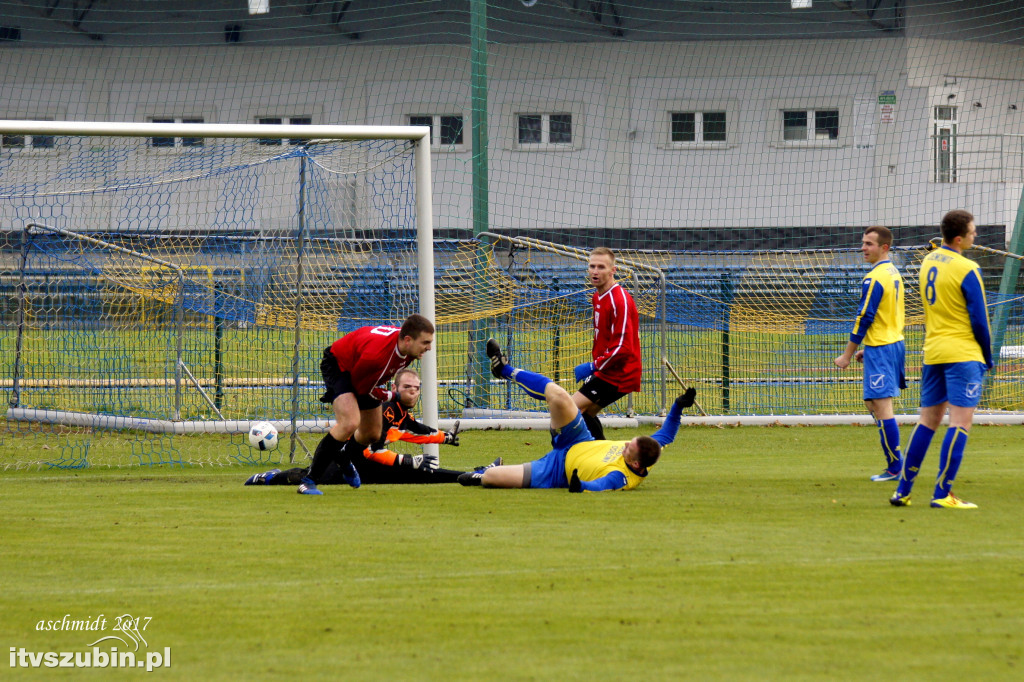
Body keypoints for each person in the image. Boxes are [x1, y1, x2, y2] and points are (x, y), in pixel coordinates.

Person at [459, 339, 694, 492]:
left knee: (491, 478)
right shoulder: (649, 449)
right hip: (577, 438)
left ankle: (482, 471)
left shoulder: (622, 477)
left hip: (556, 470)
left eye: (627, 450)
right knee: (559, 395)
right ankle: (503, 370)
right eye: (628, 443)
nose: (624, 446)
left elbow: (599, 485)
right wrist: (679, 406)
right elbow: (667, 434)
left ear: (634, 463)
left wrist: (579, 485)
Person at [890, 210, 993, 509]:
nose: (976, 236)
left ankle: (903, 491)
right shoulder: (967, 268)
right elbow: (979, 319)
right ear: (959, 238)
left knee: (927, 422)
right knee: (960, 422)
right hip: (963, 353)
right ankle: (942, 494)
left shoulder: (929, 260)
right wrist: (987, 356)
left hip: (933, 351)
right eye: (973, 232)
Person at [244, 368, 500, 486]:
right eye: (407, 387)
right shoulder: (386, 411)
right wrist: (406, 461)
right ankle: (268, 477)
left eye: (416, 388)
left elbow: (411, 432)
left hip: (368, 464)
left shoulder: (401, 412)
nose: (413, 392)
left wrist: (442, 438)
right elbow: (370, 449)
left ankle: (477, 474)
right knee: (310, 476)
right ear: (395, 390)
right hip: (350, 459)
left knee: (425, 476)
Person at [299, 313, 435, 495]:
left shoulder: (408, 350)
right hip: (340, 367)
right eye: (425, 342)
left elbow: (370, 382)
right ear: (408, 340)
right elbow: (361, 388)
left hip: (364, 375)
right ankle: (309, 480)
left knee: (372, 433)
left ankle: (343, 457)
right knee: (350, 422)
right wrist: (393, 396)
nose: (429, 348)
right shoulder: (376, 357)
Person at [833, 226, 906, 482]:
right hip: (889, 344)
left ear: (884, 247)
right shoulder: (893, 272)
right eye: (863, 243)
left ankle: (896, 467)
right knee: (872, 402)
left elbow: (864, 318)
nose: (863, 248)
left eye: (869, 244)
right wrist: (871, 348)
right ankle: (896, 462)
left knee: (882, 406)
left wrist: (847, 354)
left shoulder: (874, 278)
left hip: (885, 347)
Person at [572, 247, 643, 440]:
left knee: (570, 410)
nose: (595, 271)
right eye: (592, 266)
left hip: (620, 373)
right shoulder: (598, 296)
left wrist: (593, 366)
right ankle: (604, 462)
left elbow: (623, 347)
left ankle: (564, 459)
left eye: (601, 267)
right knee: (584, 414)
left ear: (613, 270)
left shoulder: (620, 300)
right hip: (606, 370)